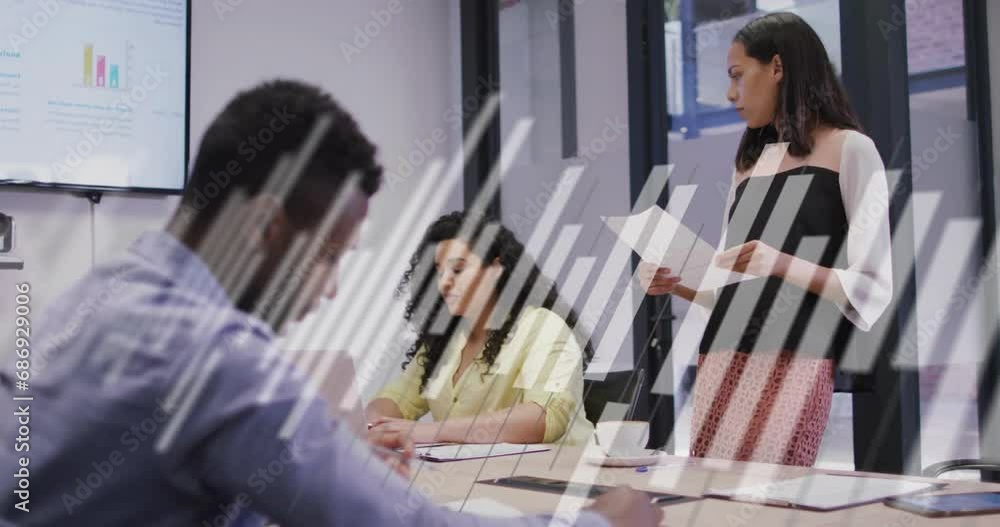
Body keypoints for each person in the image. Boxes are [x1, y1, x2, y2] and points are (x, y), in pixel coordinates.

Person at [0, 80, 661, 526]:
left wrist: (324, 465)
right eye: (328, 255)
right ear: (264, 227)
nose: (332, 288)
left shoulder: (107, 287)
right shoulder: (213, 352)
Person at [640, 12, 893, 466]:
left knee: (773, 498)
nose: (729, 94)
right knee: (711, 495)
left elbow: (872, 284)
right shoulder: (748, 164)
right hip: (721, 354)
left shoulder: (852, 150)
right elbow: (730, 291)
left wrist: (780, 263)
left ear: (777, 67)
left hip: (797, 356)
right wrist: (676, 282)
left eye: (738, 75)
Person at [367, 211, 595, 446]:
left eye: (457, 270)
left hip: (554, 476)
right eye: (439, 271)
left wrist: (431, 431)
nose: (444, 282)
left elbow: (543, 418)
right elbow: (398, 398)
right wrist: (373, 425)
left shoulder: (543, 327)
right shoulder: (444, 339)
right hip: (472, 475)